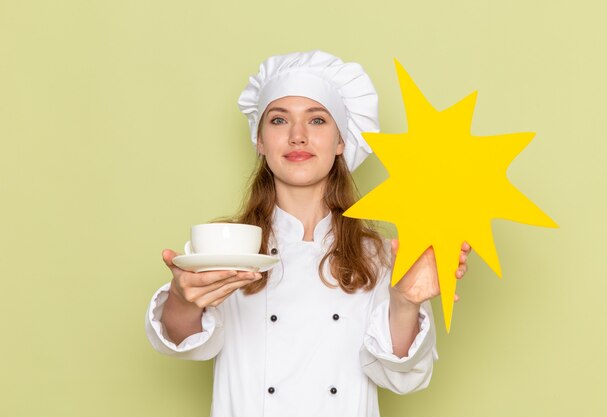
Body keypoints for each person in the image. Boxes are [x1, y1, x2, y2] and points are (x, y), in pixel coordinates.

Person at [145, 50, 470, 417]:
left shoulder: (382, 255)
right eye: (279, 120)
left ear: (342, 141)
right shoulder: (226, 245)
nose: (298, 136)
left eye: (316, 121)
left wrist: (405, 302)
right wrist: (182, 299)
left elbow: (402, 376)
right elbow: (184, 341)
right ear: (260, 140)